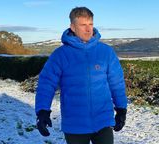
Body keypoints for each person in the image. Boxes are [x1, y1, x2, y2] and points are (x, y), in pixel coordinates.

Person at [35, 7, 128, 144]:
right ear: (73, 27)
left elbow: (117, 83)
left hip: (103, 121)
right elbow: (46, 84)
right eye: (83, 25)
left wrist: (121, 109)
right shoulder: (60, 55)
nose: (88, 29)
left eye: (90, 24)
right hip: (75, 124)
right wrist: (42, 111)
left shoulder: (106, 52)